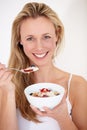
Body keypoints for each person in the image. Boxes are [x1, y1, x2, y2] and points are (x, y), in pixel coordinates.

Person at [0, 2, 87, 130]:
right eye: (30, 38)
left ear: (57, 35)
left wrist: (63, 118)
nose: (39, 47)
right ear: (20, 39)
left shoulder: (77, 85)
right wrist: (8, 92)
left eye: (46, 37)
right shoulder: (6, 85)